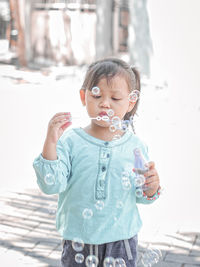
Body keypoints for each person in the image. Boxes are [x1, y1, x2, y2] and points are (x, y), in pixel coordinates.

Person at [33, 58, 161, 267]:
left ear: (130, 102)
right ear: (84, 97)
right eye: (97, 95)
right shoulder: (71, 141)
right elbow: (51, 185)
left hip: (122, 242)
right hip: (79, 243)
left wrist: (152, 186)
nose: (105, 103)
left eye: (115, 98)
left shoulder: (135, 146)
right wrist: (51, 142)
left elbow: (143, 195)